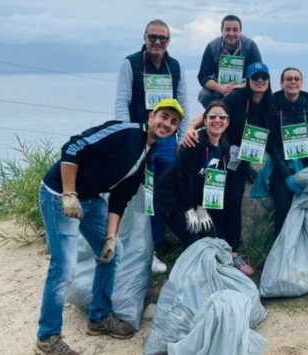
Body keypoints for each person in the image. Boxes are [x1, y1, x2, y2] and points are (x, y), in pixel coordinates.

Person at [35, 99, 184, 354]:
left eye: (173, 122)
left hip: (92, 200)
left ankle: (99, 317)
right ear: (151, 116)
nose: (167, 124)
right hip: (59, 193)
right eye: (164, 117)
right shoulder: (124, 132)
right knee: (64, 266)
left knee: (112, 255)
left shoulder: (146, 156)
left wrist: (111, 238)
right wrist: (69, 194)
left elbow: (120, 198)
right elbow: (73, 146)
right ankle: (47, 338)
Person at [114, 19, 190, 273]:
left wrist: (180, 140)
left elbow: (184, 105)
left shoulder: (175, 67)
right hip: (139, 137)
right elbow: (121, 103)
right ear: (144, 37)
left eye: (163, 38)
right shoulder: (130, 64)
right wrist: (127, 138)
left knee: (162, 192)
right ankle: (132, 246)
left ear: (169, 41)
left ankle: (155, 247)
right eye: (153, 37)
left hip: (168, 140)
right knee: (136, 194)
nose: (157, 42)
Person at [185, 62, 274, 276]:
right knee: (215, 202)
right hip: (220, 155)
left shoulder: (271, 103)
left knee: (233, 203)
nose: (260, 81)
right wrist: (190, 128)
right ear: (248, 80)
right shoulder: (236, 97)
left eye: (264, 77)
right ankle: (216, 250)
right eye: (255, 77)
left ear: (268, 81)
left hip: (241, 161)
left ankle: (233, 253)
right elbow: (212, 112)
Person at [154, 101, 231, 249]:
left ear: (227, 122)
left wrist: (201, 207)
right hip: (171, 197)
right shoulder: (195, 141)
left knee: (213, 240)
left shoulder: (224, 145)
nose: (217, 120)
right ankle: (190, 270)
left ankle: (211, 269)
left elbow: (212, 181)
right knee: (194, 241)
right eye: (212, 116)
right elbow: (184, 178)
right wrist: (190, 209)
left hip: (193, 199)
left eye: (222, 117)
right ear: (205, 120)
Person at [267, 67, 308, 236]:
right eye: (289, 79)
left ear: (301, 83)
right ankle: (282, 249)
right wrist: (287, 175)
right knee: (284, 206)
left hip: (307, 164)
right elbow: (272, 145)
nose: (293, 82)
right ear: (281, 83)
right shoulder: (273, 107)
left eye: (296, 79)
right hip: (282, 165)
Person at [197, 14, 263, 108]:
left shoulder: (250, 46)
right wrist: (220, 88)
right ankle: (215, 115)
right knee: (204, 95)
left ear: (240, 31)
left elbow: (259, 74)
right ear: (221, 31)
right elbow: (203, 76)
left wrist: (239, 86)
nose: (231, 33)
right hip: (219, 88)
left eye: (235, 30)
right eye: (227, 30)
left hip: (244, 88)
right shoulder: (212, 46)